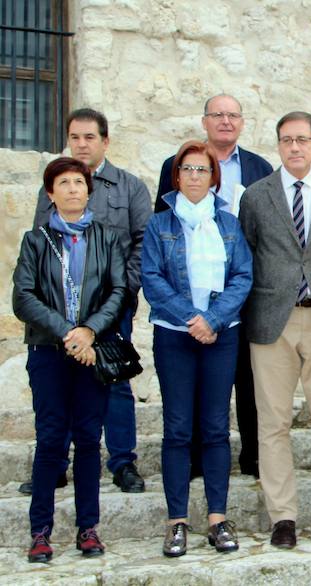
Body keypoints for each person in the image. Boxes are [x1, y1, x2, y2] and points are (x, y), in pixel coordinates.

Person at [238, 111, 311, 548]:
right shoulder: (256, 196)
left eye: (303, 140)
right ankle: (282, 516)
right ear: (279, 145)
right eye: (287, 140)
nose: (295, 148)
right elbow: (246, 256)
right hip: (272, 321)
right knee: (273, 422)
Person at [27, 108, 151, 496]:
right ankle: (55, 463)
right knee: (59, 385)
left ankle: (122, 462)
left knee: (113, 382)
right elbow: (40, 245)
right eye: (75, 137)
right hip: (60, 317)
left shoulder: (129, 187)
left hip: (110, 312)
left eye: (90, 138)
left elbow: (142, 245)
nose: (82, 144)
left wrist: (121, 295)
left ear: (105, 141)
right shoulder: (51, 187)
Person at [14, 157, 128, 562]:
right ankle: (40, 531)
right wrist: (67, 331)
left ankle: (88, 528)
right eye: (63, 183)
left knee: (88, 441)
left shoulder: (108, 238)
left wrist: (89, 331)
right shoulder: (34, 240)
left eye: (79, 182)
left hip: (91, 353)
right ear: (51, 193)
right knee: (49, 441)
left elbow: (119, 291)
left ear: (88, 189)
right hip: (49, 352)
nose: (73, 189)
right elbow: (23, 296)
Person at [142, 140, 253, 556]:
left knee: (214, 428)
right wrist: (192, 317)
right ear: (176, 176)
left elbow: (243, 276)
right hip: (175, 334)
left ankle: (217, 519)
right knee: (177, 429)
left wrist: (214, 319)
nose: (193, 176)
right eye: (186, 169)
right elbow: (151, 277)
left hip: (221, 335)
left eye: (201, 170)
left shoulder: (227, 224)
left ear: (213, 177)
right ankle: (176, 522)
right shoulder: (159, 225)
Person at [156, 94, 274, 480]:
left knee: (247, 376)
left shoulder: (259, 167)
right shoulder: (175, 165)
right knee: (192, 386)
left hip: (243, 289)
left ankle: (254, 456)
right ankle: (192, 459)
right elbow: (165, 231)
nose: (225, 121)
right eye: (217, 115)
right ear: (205, 121)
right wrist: (190, 312)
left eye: (233, 115)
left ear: (241, 122)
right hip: (188, 300)